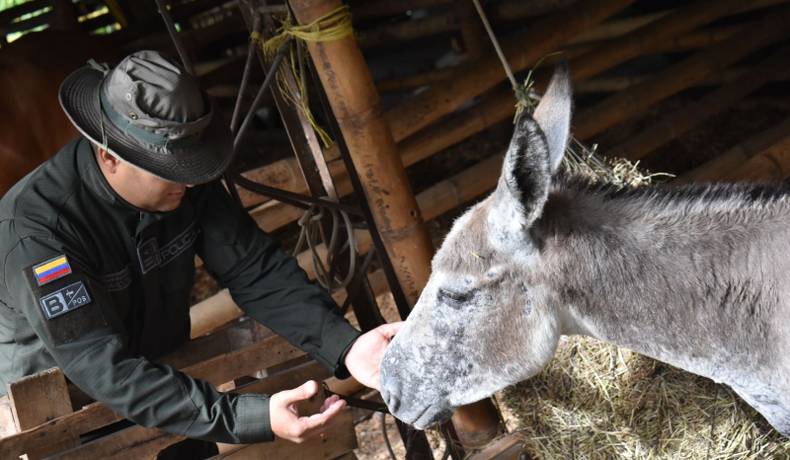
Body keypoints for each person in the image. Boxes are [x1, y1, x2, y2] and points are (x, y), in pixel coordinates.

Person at [0, 50, 401, 446]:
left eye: (190, 166)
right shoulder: (38, 234)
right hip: (60, 422)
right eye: (171, 170)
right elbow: (99, 364)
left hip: (168, 387)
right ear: (109, 156)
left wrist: (346, 346)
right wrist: (247, 417)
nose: (190, 182)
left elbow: (254, 269)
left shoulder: (182, 187)